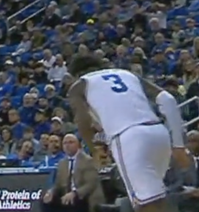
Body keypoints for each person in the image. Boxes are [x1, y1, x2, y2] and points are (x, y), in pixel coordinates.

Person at [67, 51, 190, 212]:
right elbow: (168, 100)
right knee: (154, 200)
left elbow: (82, 121)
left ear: (76, 74)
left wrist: (94, 149)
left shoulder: (80, 85)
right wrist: (178, 145)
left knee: (147, 205)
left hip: (127, 137)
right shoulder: (127, 74)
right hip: (159, 133)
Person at [41, 134, 103, 212]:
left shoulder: (87, 161)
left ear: (78, 145)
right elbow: (58, 185)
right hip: (67, 196)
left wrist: (74, 193)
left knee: (74, 202)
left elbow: (91, 184)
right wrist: (51, 192)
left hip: (83, 196)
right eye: (65, 143)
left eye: (71, 142)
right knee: (46, 200)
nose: (67, 145)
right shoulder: (62, 163)